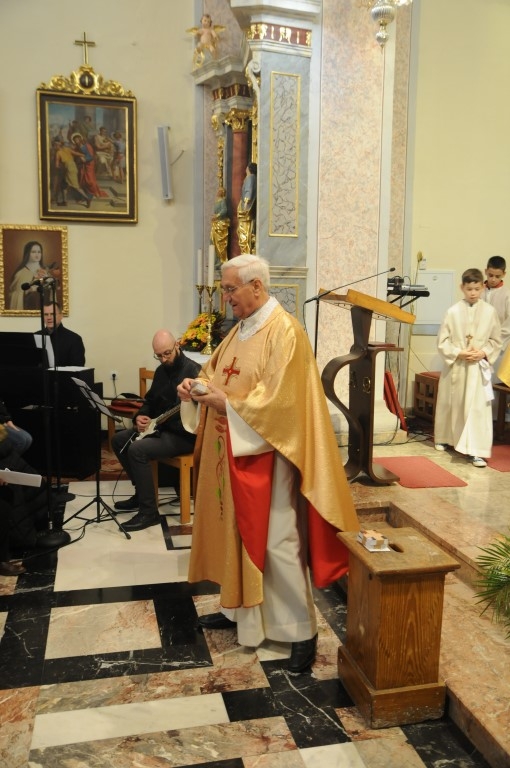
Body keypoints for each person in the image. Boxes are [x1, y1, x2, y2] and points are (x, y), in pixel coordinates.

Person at [177, 254, 359, 673]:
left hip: (269, 454)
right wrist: (195, 386)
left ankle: (301, 631)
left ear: (256, 286)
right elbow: (215, 372)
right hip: (230, 448)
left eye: (230, 289)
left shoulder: (286, 331)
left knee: (278, 540)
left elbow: (281, 402)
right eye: (224, 289)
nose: (225, 298)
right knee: (234, 533)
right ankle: (240, 612)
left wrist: (226, 404)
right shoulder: (241, 328)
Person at [111, 330, 201, 532]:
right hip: (160, 428)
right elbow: (150, 401)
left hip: (183, 435)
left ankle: (149, 512)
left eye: (167, 353)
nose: (163, 359)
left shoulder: (194, 371)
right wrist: (141, 416)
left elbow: (197, 415)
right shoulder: (161, 371)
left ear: (177, 345)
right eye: (158, 355)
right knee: (118, 440)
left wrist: (158, 425)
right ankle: (142, 494)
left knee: (137, 449)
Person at [434, 267, 502, 468]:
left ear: (482, 287)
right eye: (469, 289)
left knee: (477, 409)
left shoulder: (489, 312)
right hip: (457, 365)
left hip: (477, 368)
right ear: (462, 288)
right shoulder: (453, 312)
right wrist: (458, 352)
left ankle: (476, 451)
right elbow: (442, 341)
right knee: (451, 404)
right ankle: (446, 437)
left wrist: (483, 352)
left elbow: (495, 341)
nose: (473, 293)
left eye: (477, 289)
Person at [36, 302, 86, 367]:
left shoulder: (74, 339)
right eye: (46, 314)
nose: (49, 317)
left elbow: (77, 367)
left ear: (61, 316)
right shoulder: (36, 336)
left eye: (53, 314)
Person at [8, 241, 48, 311]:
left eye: (39, 252)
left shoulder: (45, 271)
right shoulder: (21, 273)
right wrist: (27, 291)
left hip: (43, 309)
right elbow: (14, 293)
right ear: (27, 253)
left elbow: (51, 293)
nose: (37, 254)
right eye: (33, 252)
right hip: (27, 309)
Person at [237, 163, 257, 254]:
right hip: (248, 207)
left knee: (243, 229)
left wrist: (246, 201)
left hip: (245, 207)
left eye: (246, 168)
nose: (245, 169)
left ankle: (245, 251)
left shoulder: (250, 178)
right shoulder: (254, 178)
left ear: (249, 169)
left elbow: (249, 190)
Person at [210, 186, 230, 263]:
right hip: (215, 224)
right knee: (212, 241)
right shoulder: (217, 201)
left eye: (220, 191)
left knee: (220, 243)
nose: (218, 192)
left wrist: (217, 216)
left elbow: (224, 210)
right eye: (218, 191)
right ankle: (216, 260)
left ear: (222, 193)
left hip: (221, 224)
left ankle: (221, 260)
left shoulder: (222, 201)